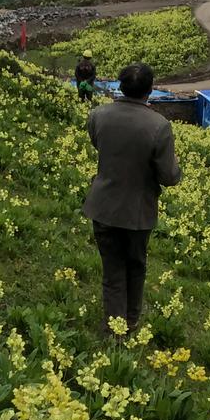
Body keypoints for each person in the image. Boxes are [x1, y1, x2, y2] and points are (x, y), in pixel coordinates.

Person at [82, 62, 182, 335]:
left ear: (120, 86)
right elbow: (168, 176)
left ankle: (113, 327)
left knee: (112, 268)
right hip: (137, 212)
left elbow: (98, 144)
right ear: (150, 90)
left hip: (103, 205)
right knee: (135, 266)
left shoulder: (98, 115)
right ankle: (130, 321)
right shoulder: (159, 126)